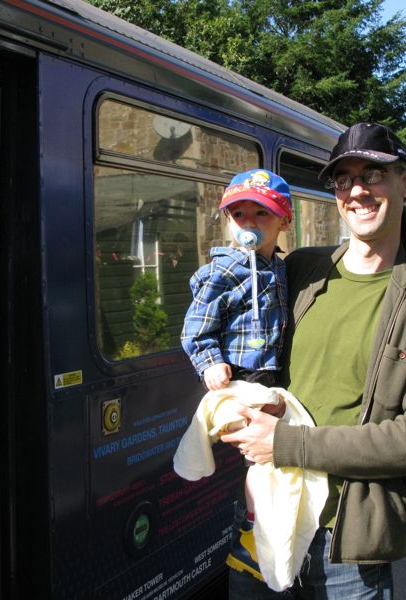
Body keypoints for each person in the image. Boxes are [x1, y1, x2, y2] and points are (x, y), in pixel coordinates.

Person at [220, 123, 406, 599]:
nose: (357, 190)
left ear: (405, 183)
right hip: (264, 518)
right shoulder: (299, 271)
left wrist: (289, 444)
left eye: (373, 174)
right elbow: (245, 347)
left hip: (347, 544)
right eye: (343, 179)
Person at [180, 168, 292, 582]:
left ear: (284, 221)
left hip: (267, 376)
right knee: (264, 460)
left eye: (260, 214)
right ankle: (252, 529)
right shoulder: (222, 271)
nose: (248, 223)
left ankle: (267, 526)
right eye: (238, 214)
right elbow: (197, 327)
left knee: (275, 457)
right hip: (239, 377)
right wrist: (209, 361)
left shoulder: (277, 268)